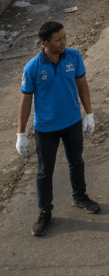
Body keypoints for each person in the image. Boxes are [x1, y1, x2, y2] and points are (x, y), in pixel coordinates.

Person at [17, 20, 100, 237]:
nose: (64, 42)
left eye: (64, 37)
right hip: (46, 128)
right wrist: (21, 133)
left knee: (77, 161)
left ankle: (80, 196)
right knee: (45, 172)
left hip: (72, 121)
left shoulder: (74, 56)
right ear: (44, 43)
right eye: (58, 39)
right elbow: (26, 101)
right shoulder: (32, 67)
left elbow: (82, 84)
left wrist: (89, 114)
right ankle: (45, 211)